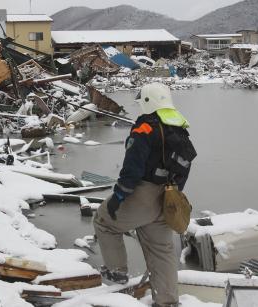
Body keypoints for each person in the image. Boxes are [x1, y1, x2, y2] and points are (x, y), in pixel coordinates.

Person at [94, 83, 197, 307]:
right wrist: (173, 193)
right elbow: (186, 166)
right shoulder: (179, 127)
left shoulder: (145, 127)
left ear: (148, 101)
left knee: (104, 221)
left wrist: (119, 197)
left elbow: (132, 169)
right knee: (162, 250)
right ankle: (167, 301)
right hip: (169, 196)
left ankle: (117, 272)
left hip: (143, 193)